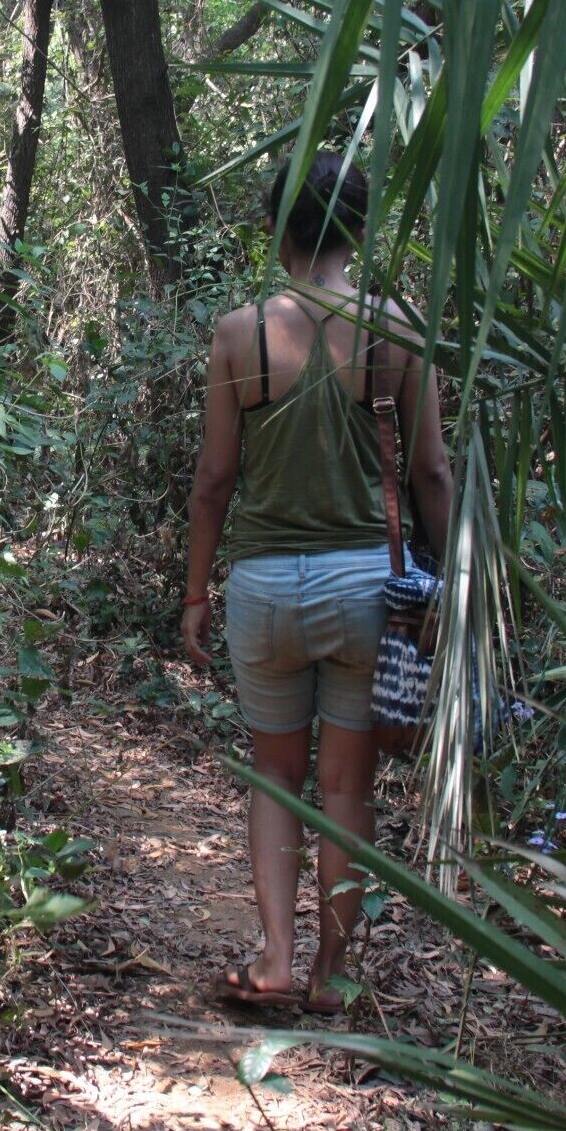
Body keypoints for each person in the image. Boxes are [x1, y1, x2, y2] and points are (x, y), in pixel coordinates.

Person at [180, 150, 452, 1013]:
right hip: (369, 586)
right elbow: (433, 475)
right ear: (360, 230)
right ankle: (332, 977)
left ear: (275, 229)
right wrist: (452, 591)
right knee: (345, 787)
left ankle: (273, 958)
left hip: (263, 586)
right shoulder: (398, 327)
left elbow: (215, 481)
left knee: (275, 773)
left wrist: (194, 593)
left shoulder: (238, 333)